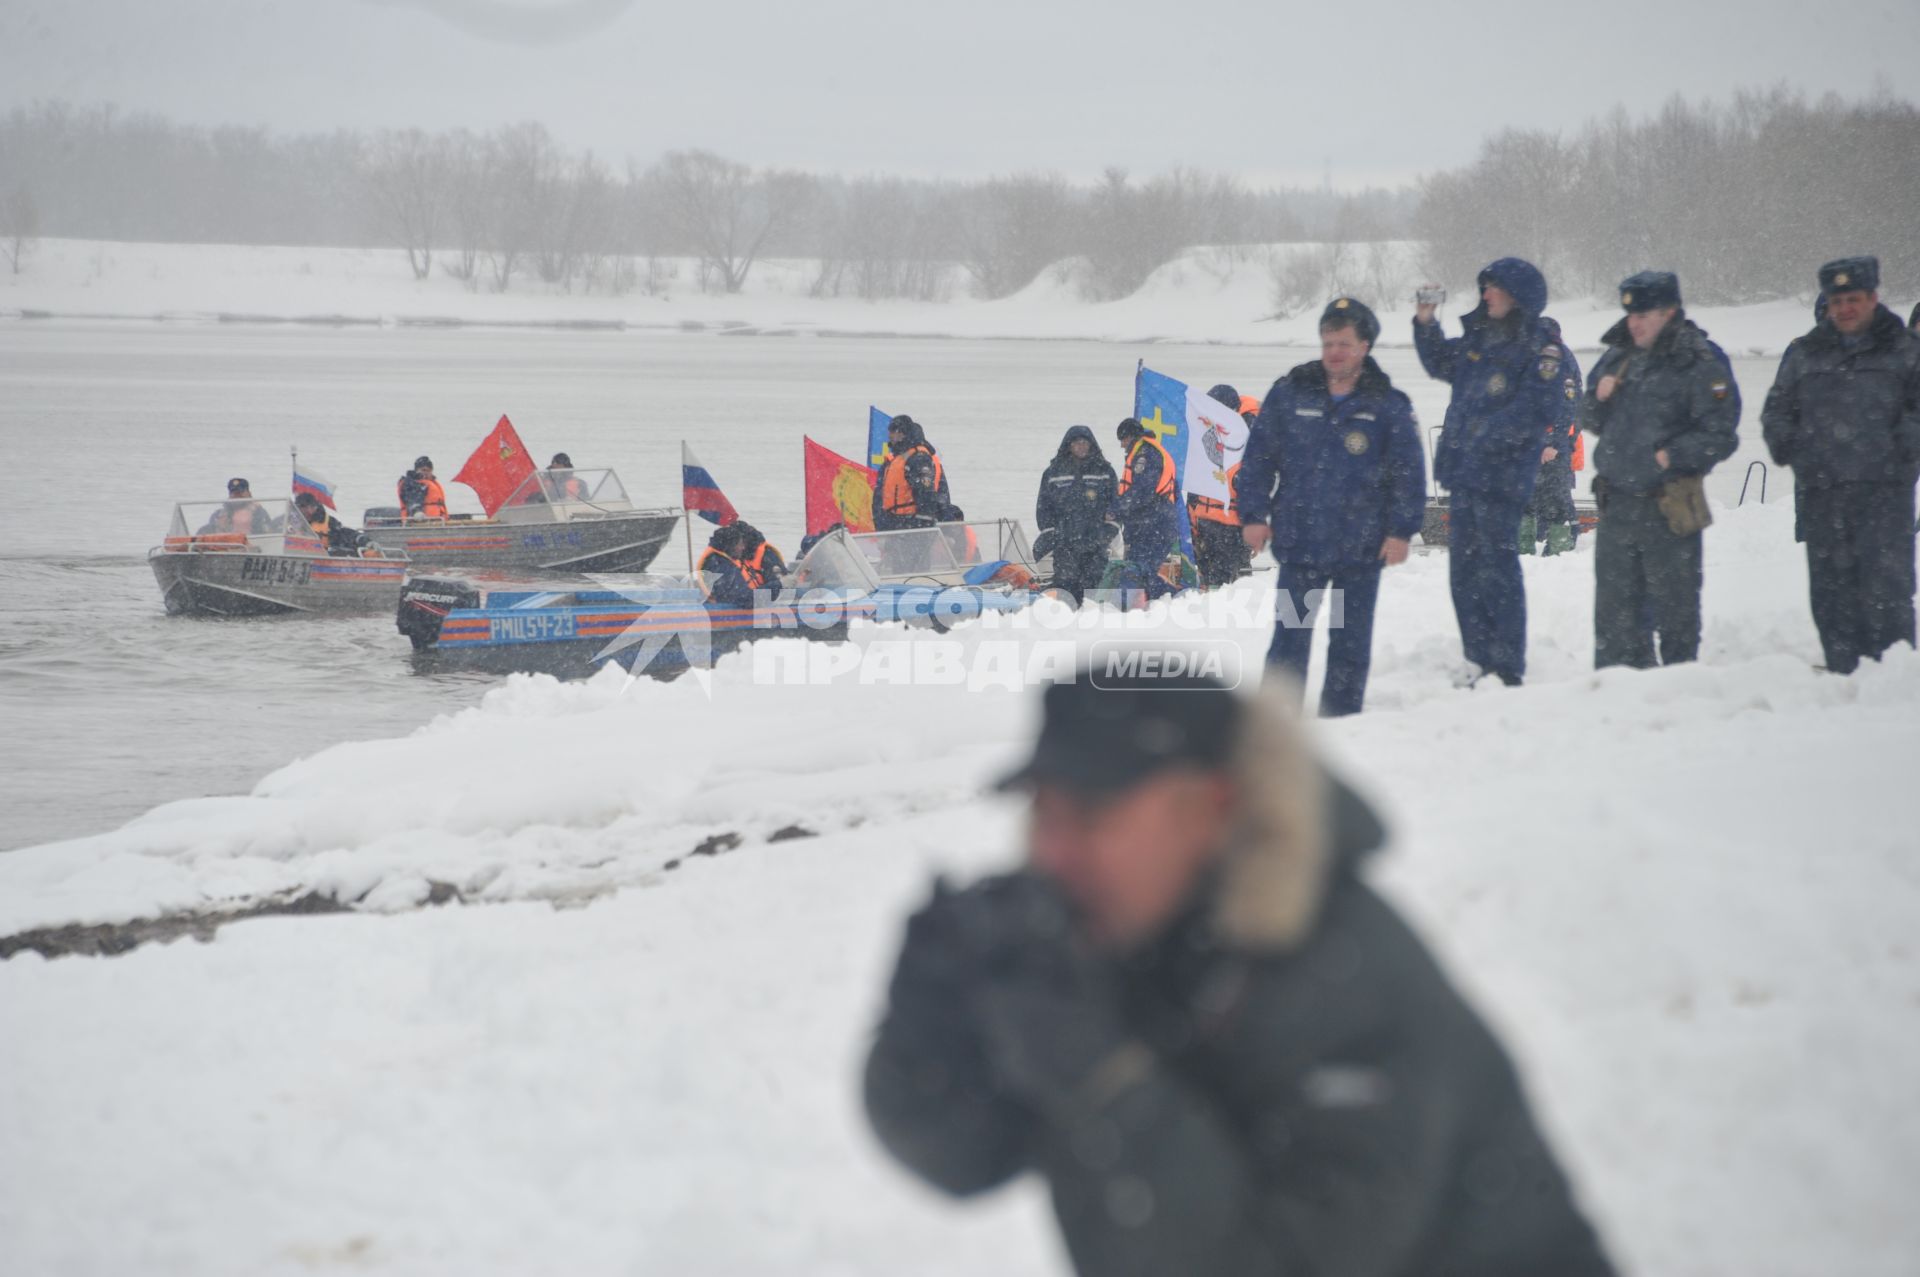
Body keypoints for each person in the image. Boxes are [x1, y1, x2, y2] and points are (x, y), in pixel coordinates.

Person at [863, 663, 1619, 1277]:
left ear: (1211, 806)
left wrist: (1105, 1083)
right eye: (1043, 815)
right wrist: (927, 1023)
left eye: (1090, 818)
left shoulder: (1345, 975)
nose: (1054, 853)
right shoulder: (1109, 937)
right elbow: (968, 1156)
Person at [1240, 297, 1427, 716]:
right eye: (1328, 343)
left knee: (1348, 644)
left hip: (1358, 553)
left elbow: (1409, 474)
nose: (1334, 353)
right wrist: (1253, 515)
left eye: (1343, 343)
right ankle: (1277, 727)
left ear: (1365, 346)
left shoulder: (1387, 404)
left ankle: (1341, 723)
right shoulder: (1291, 393)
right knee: (1290, 639)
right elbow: (1257, 459)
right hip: (1301, 546)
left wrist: (1400, 530)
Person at [1761, 256, 1920, 674]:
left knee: (1886, 591)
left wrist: (1897, 454)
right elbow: (1777, 413)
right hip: (1824, 496)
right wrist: (1802, 456)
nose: (1845, 308)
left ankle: (1891, 679)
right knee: (1832, 595)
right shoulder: (1806, 354)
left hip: (1884, 498)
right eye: (1837, 300)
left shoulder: (1905, 351)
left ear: (1872, 298)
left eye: (1853, 299)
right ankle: (1841, 674)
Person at [1413, 259, 1568, 687]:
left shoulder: (1541, 348)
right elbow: (1440, 363)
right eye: (1484, 288)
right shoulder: (1480, 337)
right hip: (1465, 475)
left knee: (1496, 567)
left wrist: (1483, 435)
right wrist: (1426, 323)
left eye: (1493, 289)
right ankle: (1477, 658)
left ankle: (1507, 665)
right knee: (1463, 570)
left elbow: (1538, 408)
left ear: (1517, 295)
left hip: (1502, 478)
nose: (1485, 295)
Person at [1581, 272, 1740, 670]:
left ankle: (1677, 697)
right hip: (1617, 504)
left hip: (1667, 507)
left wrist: (1676, 454)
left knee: (1676, 614)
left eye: (1645, 314)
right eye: (1630, 313)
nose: (1634, 322)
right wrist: (1598, 399)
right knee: (1615, 617)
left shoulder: (1698, 360)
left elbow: (1721, 433)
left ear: (1670, 312)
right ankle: (1618, 697)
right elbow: (1588, 417)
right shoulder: (1620, 355)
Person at [1518, 316, 1585, 556]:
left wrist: (1553, 444)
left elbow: (1567, 407)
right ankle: (1523, 548)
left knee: (1556, 497)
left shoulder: (1560, 360)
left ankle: (1559, 549)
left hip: (1554, 443)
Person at [1034, 425, 1119, 602]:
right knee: (1065, 585)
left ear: (1091, 445)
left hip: (1095, 543)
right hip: (1065, 543)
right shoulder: (1053, 473)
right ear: (1069, 445)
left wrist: (1107, 533)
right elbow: (1043, 508)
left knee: (1094, 586)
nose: (1081, 446)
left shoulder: (1105, 472)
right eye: (1077, 443)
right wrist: (1051, 534)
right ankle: (1067, 621)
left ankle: (1093, 621)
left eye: (1084, 443)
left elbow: (1116, 506)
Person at [1185, 384, 1253, 589]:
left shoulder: (1244, 449)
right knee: (1210, 582)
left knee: (1232, 585)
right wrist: (1192, 527)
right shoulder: (1205, 446)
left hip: (1231, 530)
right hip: (1206, 528)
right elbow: (1194, 493)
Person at [1110, 417, 1179, 599]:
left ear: (1131, 437)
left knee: (1139, 571)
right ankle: (1161, 599)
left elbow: (1142, 491)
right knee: (1141, 571)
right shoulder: (1154, 452)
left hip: (1153, 526)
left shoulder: (1145, 455)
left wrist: (1115, 509)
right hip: (1155, 523)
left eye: (1123, 440)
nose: (1122, 446)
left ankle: (1174, 596)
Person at [872, 415, 961, 531]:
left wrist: (923, 525)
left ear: (902, 433)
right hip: (894, 523)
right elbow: (880, 494)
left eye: (893, 431)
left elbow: (925, 493)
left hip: (909, 524)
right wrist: (881, 523)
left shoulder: (918, 458)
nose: (889, 435)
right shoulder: (897, 459)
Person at [696, 523, 781, 610]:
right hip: (723, 616)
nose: (743, 548)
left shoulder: (715, 561)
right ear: (730, 546)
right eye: (740, 544)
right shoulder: (722, 566)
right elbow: (745, 599)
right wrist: (776, 587)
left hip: (713, 612)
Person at [293, 492, 371, 557]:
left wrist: (360, 539)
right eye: (296, 507)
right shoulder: (290, 520)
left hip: (320, 558)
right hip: (294, 554)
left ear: (311, 508)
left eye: (300, 507)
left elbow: (343, 534)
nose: (297, 511)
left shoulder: (329, 523)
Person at [398, 455, 449, 520]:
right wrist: (416, 511)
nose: (426, 473)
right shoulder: (412, 483)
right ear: (416, 470)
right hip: (420, 522)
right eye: (423, 470)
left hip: (437, 521)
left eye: (429, 470)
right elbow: (412, 498)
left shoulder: (431, 483)